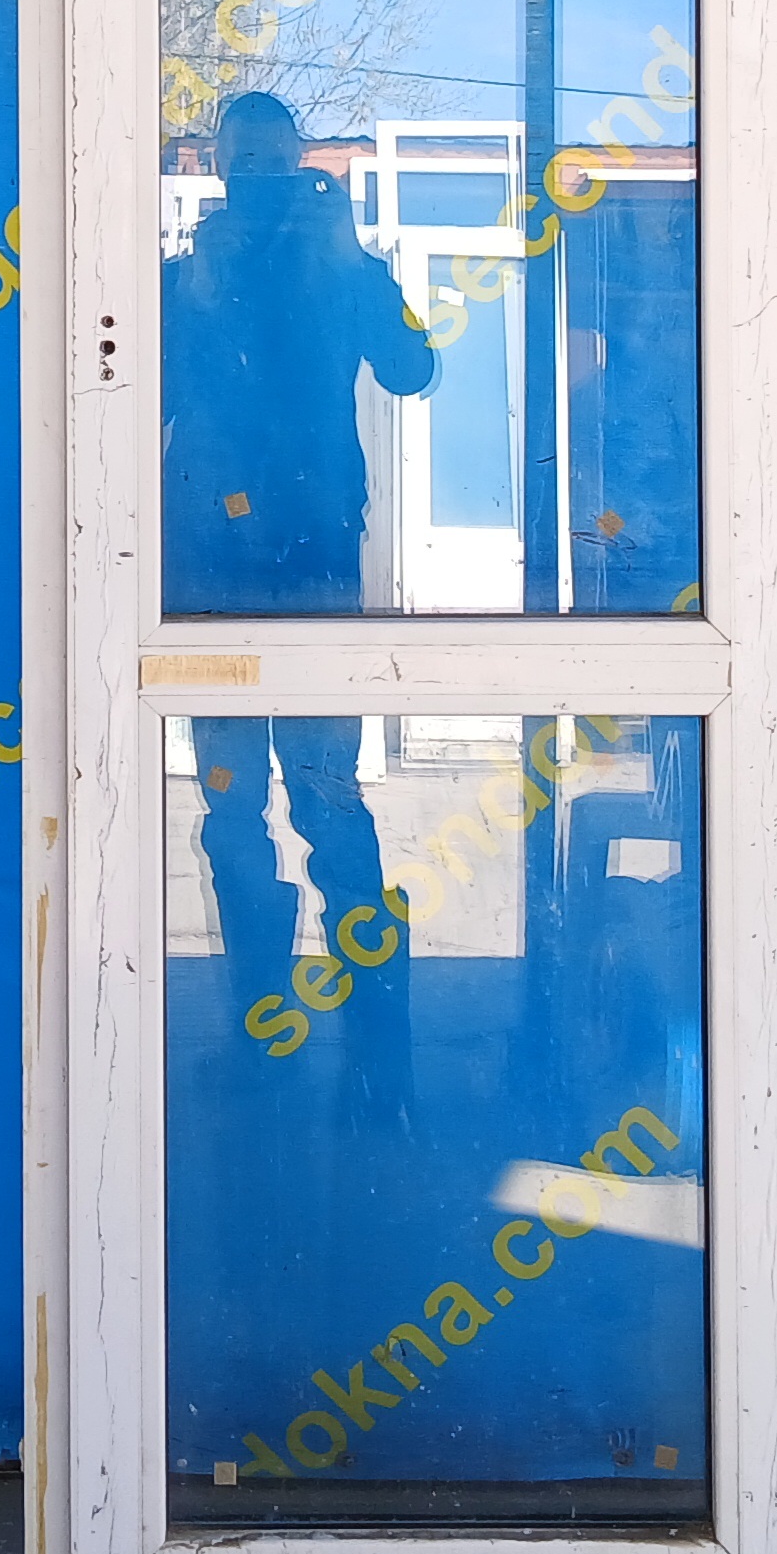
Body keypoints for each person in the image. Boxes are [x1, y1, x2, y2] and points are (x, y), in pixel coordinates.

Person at [163, 94, 435, 1105]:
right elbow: (133, 396)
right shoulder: (189, 276)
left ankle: (371, 1062)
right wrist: (199, 287)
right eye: (247, 165)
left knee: (315, 797)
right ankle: (280, 1050)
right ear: (219, 170)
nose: (261, 184)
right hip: (221, 571)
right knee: (247, 809)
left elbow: (413, 365)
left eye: (273, 165)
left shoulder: (337, 268)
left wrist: (354, 260)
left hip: (297, 564)